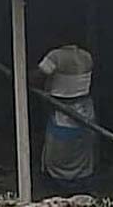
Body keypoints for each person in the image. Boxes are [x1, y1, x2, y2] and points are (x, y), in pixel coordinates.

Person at [32, 26, 96, 193]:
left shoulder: (56, 56)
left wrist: (21, 75)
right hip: (85, 111)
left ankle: (58, 186)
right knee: (81, 150)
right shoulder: (87, 56)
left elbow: (37, 77)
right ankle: (81, 185)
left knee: (59, 151)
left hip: (62, 110)